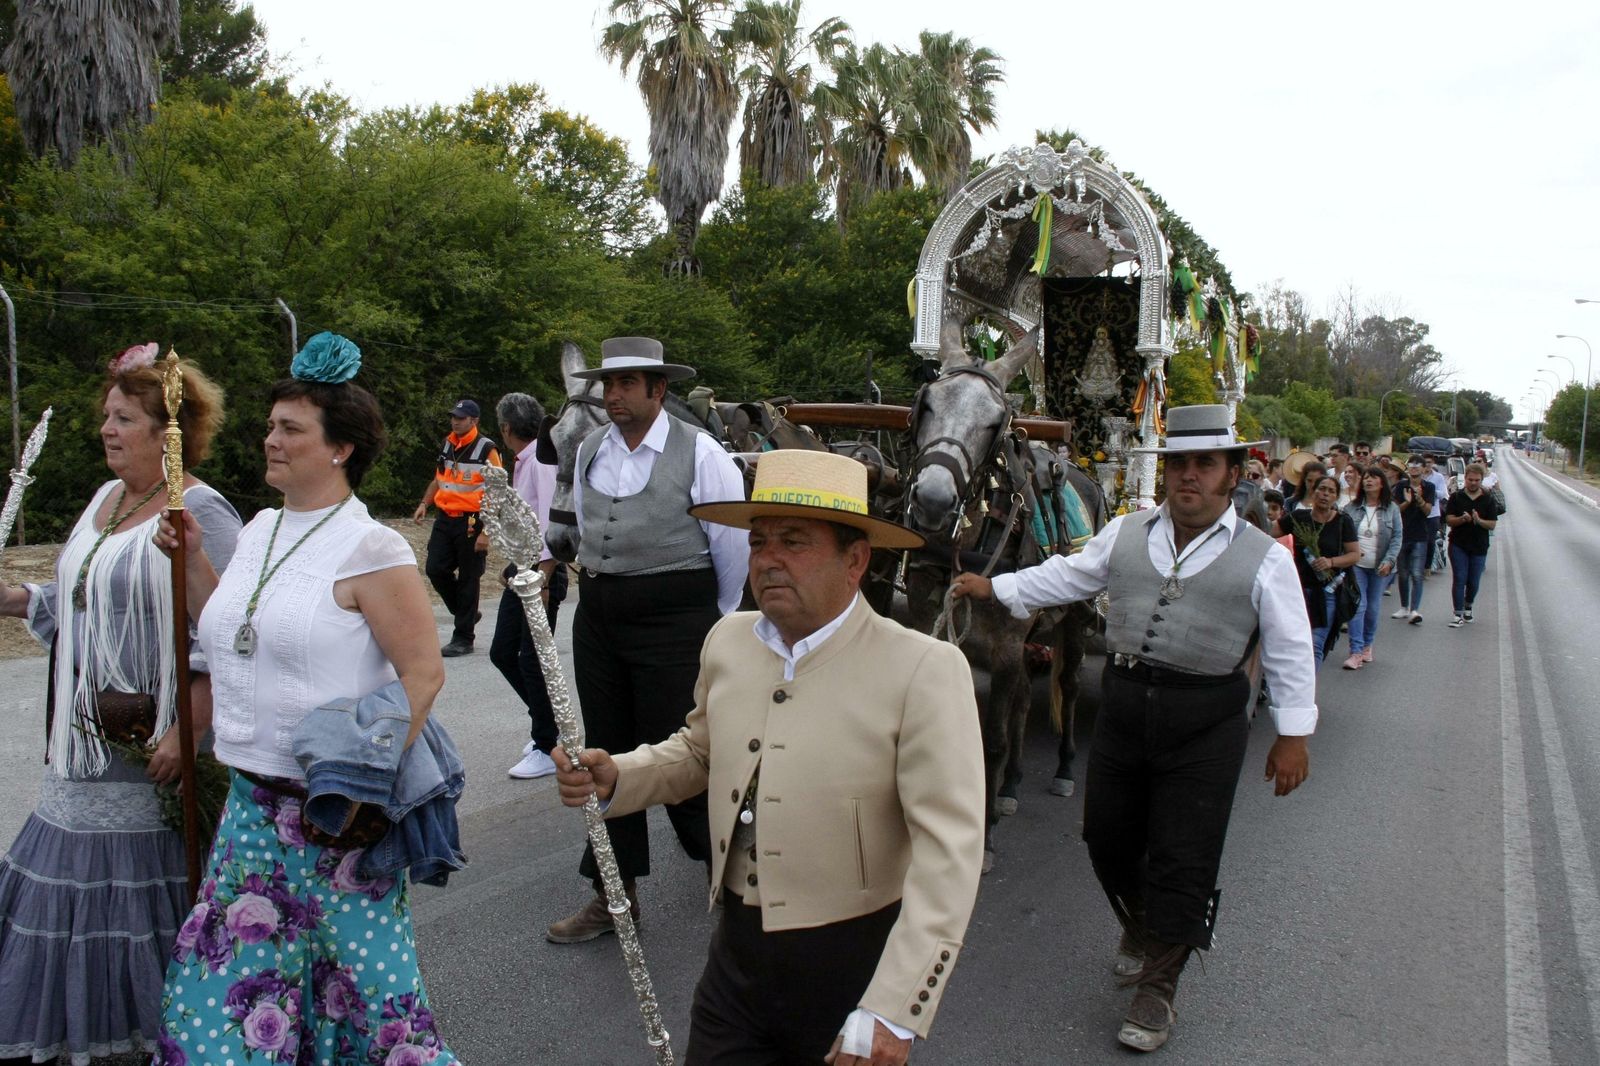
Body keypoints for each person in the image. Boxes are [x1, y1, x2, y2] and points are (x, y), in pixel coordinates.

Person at [554, 449, 984, 1066]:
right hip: (735, 960)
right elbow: (701, 750)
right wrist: (620, 774)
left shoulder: (923, 668)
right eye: (758, 542)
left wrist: (895, 1007)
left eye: (795, 541)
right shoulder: (729, 639)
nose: (768, 559)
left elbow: (950, 851)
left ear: (855, 560)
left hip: (851, 964)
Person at [949, 405, 1316, 1054]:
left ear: (1234, 474)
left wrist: (1292, 734)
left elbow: (1289, 648)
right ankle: (1144, 920)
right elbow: (1067, 575)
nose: (1189, 476)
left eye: (1206, 464)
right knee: (1105, 836)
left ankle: (1158, 988)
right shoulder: (1127, 532)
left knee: (1185, 852)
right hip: (1126, 705)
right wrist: (997, 588)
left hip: (1207, 718)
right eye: (1179, 463)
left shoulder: (1265, 560)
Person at [152, 333, 458, 1064]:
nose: (271, 440)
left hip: (335, 822)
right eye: (270, 426)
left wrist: (362, 775)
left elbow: (423, 674)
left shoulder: (371, 548)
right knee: (220, 1005)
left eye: (291, 429)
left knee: (366, 1005)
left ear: (342, 448)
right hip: (249, 815)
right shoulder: (259, 529)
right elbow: (229, 629)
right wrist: (192, 557)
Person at [0, 344, 240, 1066]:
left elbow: (227, 633)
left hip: (154, 750)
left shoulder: (201, 510)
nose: (107, 429)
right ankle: (83, 1033)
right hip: (86, 739)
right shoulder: (106, 501)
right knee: (65, 883)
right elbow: (83, 600)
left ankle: (159, 1034)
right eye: (106, 415)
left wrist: (188, 726)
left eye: (125, 417)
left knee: (134, 894)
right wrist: (17, 601)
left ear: (170, 431)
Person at [547, 336, 750, 944]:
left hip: (676, 622)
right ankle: (615, 896)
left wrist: (708, 627)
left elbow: (731, 549)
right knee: (603, 754)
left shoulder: (701, 452)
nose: (614, 396)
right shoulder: (587, 451)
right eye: (608, 386)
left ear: (658, 390)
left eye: (627, 385)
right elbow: (586, 528)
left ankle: (736, 879)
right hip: (601, 619)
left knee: (687, 756)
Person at [490, 391, 567, 780]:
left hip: (542, 573)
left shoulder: (540, 458)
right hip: (523, 568)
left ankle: (547, 743)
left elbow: (553, 520)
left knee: (533, 661)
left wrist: (546, 577)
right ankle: (550, 725)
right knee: (503, 651)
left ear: (506, 428)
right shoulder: (525, 458)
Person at [413, 397, 502, 656]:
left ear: (474, 421)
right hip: (445, 517)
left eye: (461, 418)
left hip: (473, 521)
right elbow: (439, 477)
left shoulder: (487, 450)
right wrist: (424, 503)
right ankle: (467, 613)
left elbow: (498, 492)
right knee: (435, 569)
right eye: (454, 416)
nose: (455, 421)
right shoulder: (448, 443)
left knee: (468, 579)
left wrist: (487, 531)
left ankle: (463, 638)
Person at [1278, 474, 1360, 665]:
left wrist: (1331, 562)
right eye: (1322, 489)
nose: (1325, 494)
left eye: (1331, 491)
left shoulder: (1342, 522)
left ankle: (1305, 692)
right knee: (1291, 643)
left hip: (1327, 592)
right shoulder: (1299, 518)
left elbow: (1354, 555)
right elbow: (1268, 532)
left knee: (1315, 645)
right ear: (1313, 492)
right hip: (1298, 591)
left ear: (1336, 497)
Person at [1340, 469, 1401, 669]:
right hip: (1357, 564)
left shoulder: (1392, 509)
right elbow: (1342, 534)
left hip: (1380, 567)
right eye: (1366, 478)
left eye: (1373, 478)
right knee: (1359, 605)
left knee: (1373, 608)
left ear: (1382, 483)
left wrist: (1389, 561)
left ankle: (1367, 645)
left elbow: (1397, 538)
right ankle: (1355, 651)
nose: (1368, 481)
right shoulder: (1352, 508)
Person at [1444, 462, 1502, 627]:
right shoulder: (1456, 497)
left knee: (1473, 580)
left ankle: (1468, 605)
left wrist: (1478, 521)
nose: (1473, 483)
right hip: (1458, 544)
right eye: (1470, 480)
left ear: (1481, 480)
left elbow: (1492, 524)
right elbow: (1449, 520)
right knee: (1459, 578)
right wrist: (1462, 519)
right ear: (1465, 479)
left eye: (1477, 480)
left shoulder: (1488, 499)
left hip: (1479, 545)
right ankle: (1458, 613)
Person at [1391, 460, 1435, 625]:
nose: (1414, 467)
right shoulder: (1401, 486)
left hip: (1420, 535)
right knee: (1402, 573)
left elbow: (1428, 511)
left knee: (1417, 574)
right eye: (1411, 464)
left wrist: (1419, 498)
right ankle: (1403, 607)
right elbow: (1394, 510)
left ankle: (1414, 609)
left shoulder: (1429, 487)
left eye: (1418, 464)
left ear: (1424, 468)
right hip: (1402, 533)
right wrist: (1408, 501)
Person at [1422, 455, 1450, 572]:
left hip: (1433, 514)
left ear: (1432, 463)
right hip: (1418, 513)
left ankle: (1427, 566)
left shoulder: (1438, 477)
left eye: (1429, 462)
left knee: (1430, 541)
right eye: (1424, 462)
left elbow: (1442, 493)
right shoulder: (1416, 476)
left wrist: (1429, 490)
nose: (1427, 465)